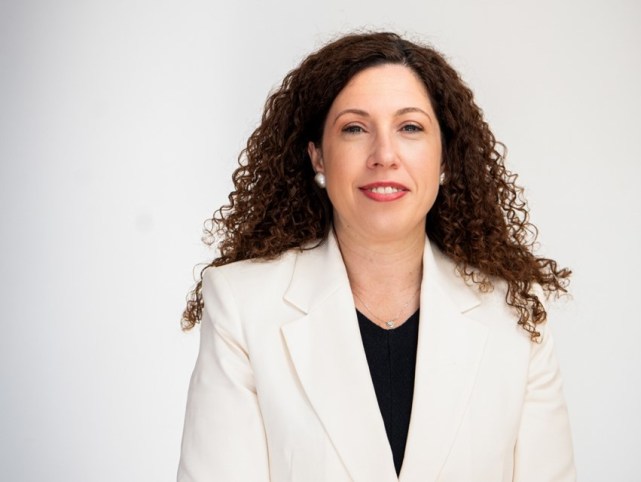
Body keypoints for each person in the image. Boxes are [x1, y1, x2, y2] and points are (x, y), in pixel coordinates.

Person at [177, 31, 575, 482]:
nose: (384, 155)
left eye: (410, 128)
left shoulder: (517, 313)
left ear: (445, 156)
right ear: (317, 157)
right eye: (354, 128)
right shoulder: (243, 305)